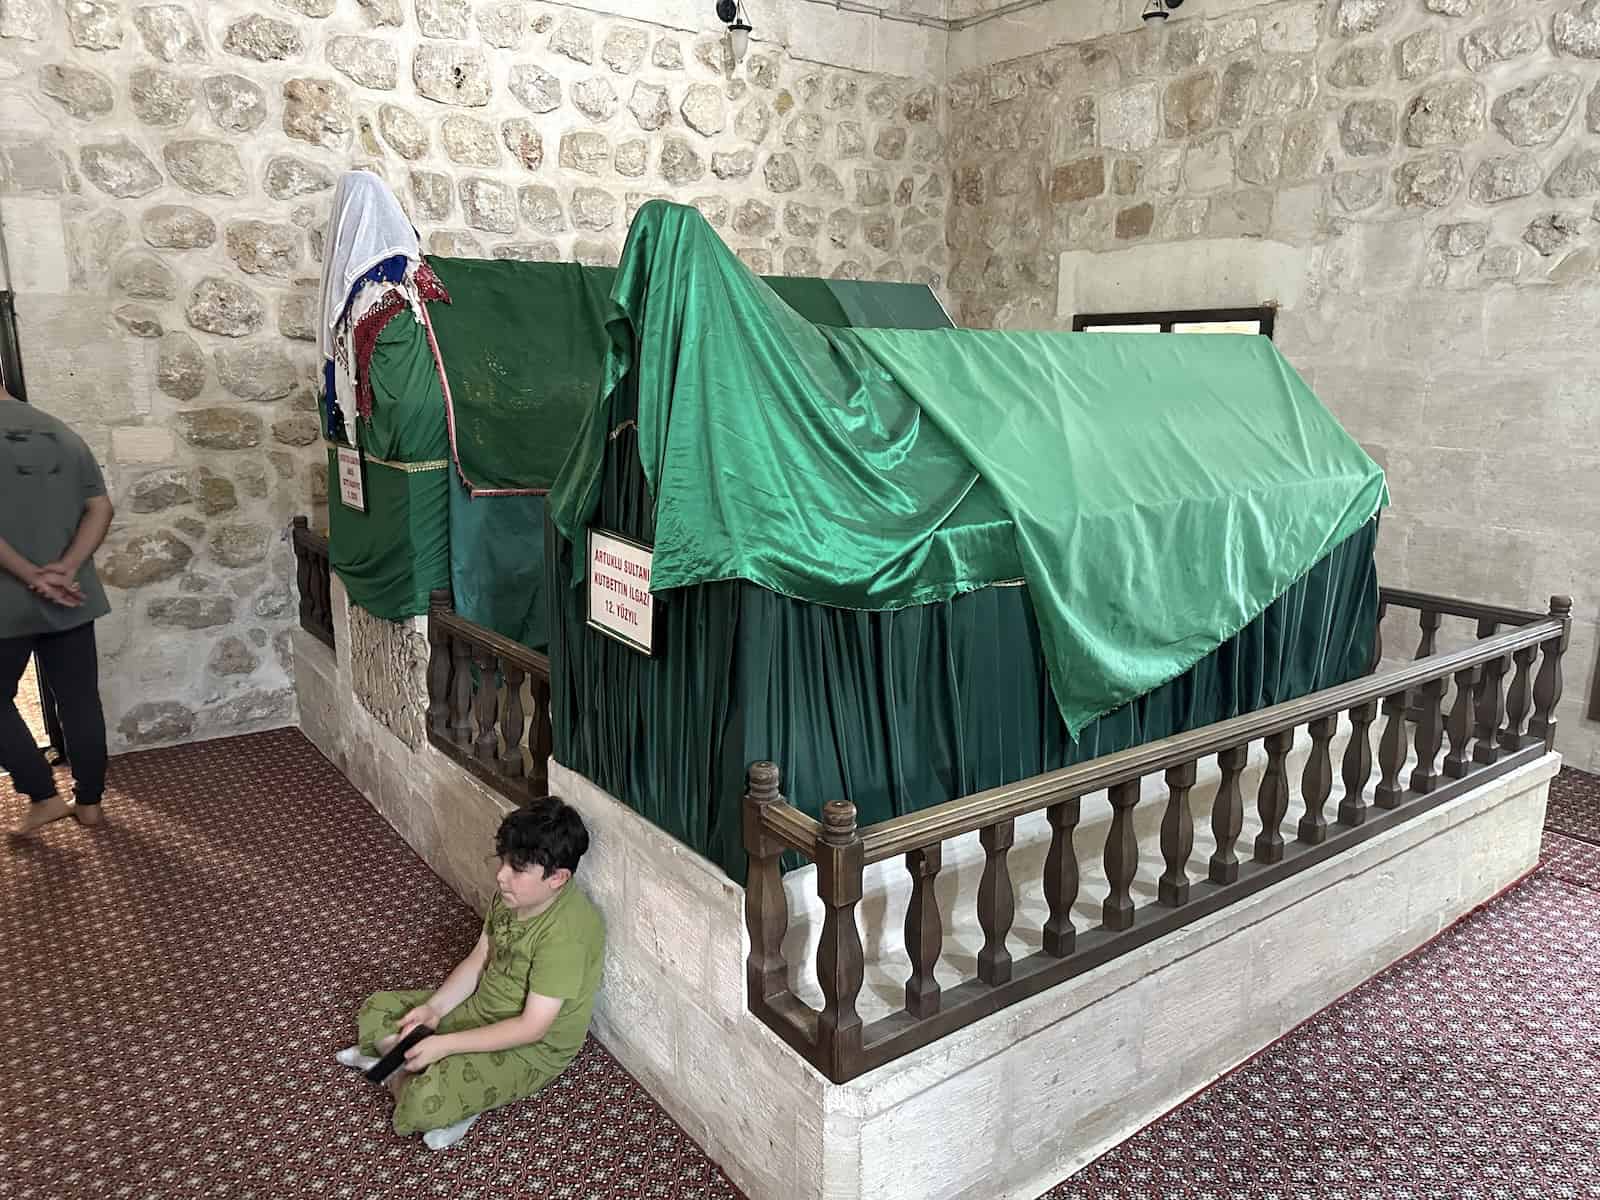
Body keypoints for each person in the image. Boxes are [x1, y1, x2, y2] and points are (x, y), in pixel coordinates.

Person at [337, 797, 607, 1150]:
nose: (501, 875)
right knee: (378, 1006)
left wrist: (443, 1043)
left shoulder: (567, 935)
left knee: (424, 1102)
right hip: (482, 1006)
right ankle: (412, 1067)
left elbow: (531, 1028)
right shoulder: (513, 897)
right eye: (504, 861)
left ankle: (414, 1076)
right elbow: (479, 959)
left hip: (530, 1048)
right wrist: (434, 1010)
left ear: (557, 877)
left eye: (517, 868)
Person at [0, 386, 114, 836]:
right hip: (72, 594)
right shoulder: (60, 431)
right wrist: (65, 569)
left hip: (7, 601)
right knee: (80, 700)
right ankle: (89, 804)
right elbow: (100, 508)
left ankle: (43, 795)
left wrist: (33, 575)